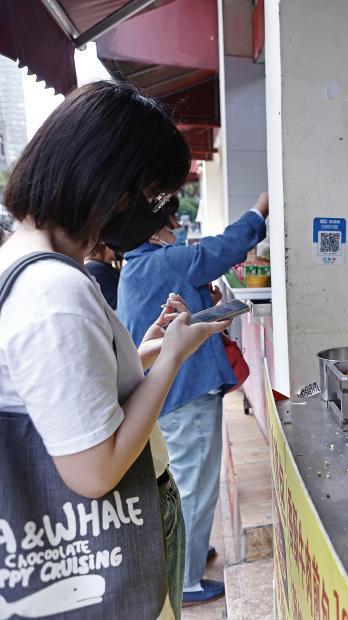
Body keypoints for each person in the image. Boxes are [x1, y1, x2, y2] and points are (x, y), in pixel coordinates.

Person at [0, 81, 231, 618]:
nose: (158, 215)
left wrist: (142, 354)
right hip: (101, 546)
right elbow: (95, 471)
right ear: (109, 184)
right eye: (153, 197)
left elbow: (64, 397)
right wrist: (173, 358)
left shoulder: (26, 264)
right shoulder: (55, 293)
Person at [118, 192, 269, 606]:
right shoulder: (163, 260)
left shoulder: (136, 268)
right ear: (155, 230)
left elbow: (176, 318)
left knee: (189, 481)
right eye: (170, 223)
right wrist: (261, 209)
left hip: (170, 393)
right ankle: (186, 581)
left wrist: (207, 306)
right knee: (195, 487)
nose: (177, 230)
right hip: (188, 393)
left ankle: (193, 553)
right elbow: (223, 250)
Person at [85, 242, 121, 309]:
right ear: (104, 247)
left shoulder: (103, 266)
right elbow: (113, 303)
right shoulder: (94, 267)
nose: (119, 252)